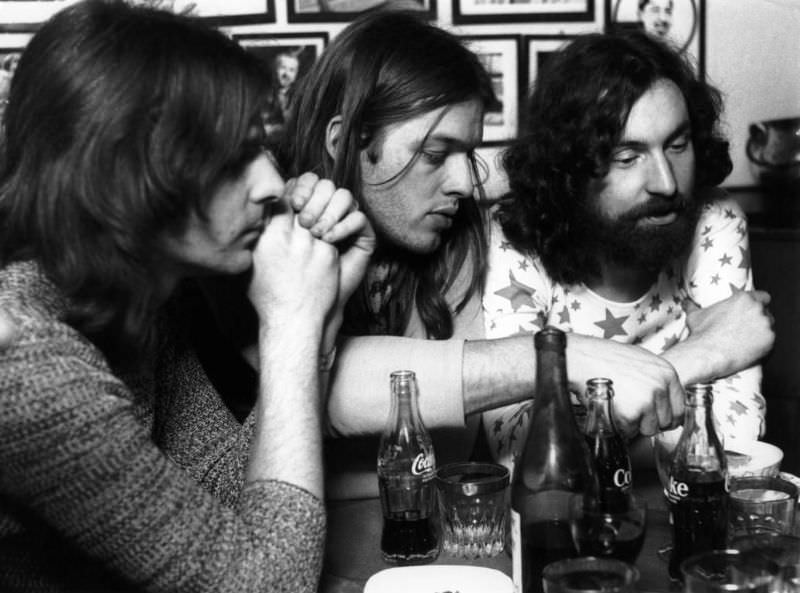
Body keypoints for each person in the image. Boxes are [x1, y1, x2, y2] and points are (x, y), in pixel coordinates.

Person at [0, 1, 373, 591]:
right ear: (130, 178)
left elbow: (214, 500)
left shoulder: (138, 297)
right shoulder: (28, 365)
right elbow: (265, 585)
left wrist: (319, 322)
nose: (272, 183)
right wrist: (291, 323)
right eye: (233, 160)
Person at [275, 9, 709, 501]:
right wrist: (562, 356)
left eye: (469, 153)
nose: (463, 183)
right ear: (345, 143)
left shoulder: (459, 237)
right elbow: (296, 404)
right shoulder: (267, 231)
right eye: (436, 155)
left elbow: (448, 454)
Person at [483, 30, 773, 471]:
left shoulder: (714, 220)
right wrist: (703, 355)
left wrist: (594, 426)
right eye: (627, 157)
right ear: (570, 171)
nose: (666, 182)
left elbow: (736, 443)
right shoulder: (514, 240)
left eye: (677, 145)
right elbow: (521, 456)